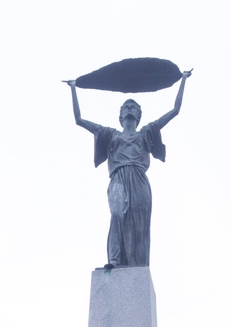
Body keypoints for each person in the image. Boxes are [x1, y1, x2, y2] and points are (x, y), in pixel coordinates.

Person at [67, 71, 191, 268]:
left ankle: (136, 264)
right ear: (120, 115)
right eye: (126, 106)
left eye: (133, 107)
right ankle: (114, 260)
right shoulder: (111, 134)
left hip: (139, 179)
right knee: (117, 214)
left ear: (139, 116)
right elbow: (79, 120)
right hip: (118, 177)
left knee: (138, 224)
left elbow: (175, 110)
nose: (129, 108)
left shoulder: (146, 133)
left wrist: (183, 80)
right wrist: (73, 88)